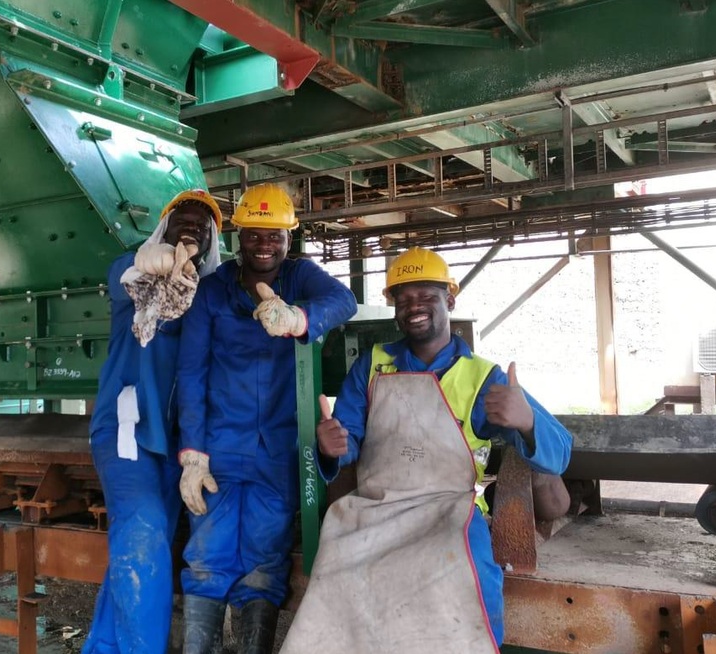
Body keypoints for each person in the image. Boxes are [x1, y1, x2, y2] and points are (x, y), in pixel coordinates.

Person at [281, 246, 572, 653]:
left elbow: (560, 451)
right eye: (403, 299)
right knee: (336, 570)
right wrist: (332, 449)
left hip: (448, 512)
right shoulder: (372, 364)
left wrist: (527, 422)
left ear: (449, 301)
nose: (413, 307)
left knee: (465, 589)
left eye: (426, 297)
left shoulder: (481, 376)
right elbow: (346, 439)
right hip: (374, 510)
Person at [175, 183, 358, 654]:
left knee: (264, 560)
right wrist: (192, 452)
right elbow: (192, 372)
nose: (264, 244)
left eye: (274, 235)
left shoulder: (300, 278)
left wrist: (298, 318)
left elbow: (344, 300)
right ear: (238, 237)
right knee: (206, 558)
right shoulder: (212, 291)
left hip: (278, 450)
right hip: (218, 448)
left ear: (288, 239)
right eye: (254, 235)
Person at [82, 189, 223, 654]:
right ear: (163, 226)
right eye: (183, 218)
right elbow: (121, 278)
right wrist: (150, 263)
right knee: (143, 538)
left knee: (140, 549)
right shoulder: (135, 271)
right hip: (128, 433)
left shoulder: (208, 294)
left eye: (204, 226)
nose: (193, 228)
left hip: (177, 446)